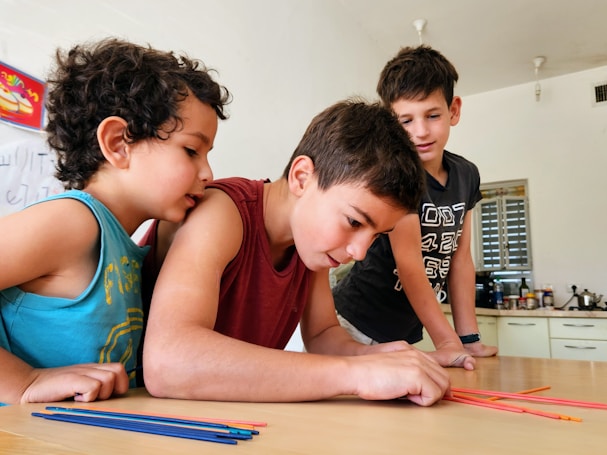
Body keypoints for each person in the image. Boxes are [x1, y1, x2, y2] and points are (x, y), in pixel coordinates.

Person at [141, 99, 451, 406]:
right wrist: (357, 372)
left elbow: (323, 335)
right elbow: (168, 361)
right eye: (354, 221)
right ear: (302, 177)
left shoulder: (309, 246)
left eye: (376, 236)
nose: (359, 252)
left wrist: (378, 357)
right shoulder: (221, 213)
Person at [0, 38, 230, 405]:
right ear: (118, 143)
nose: (207, 172)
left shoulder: (123, 247)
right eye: (191, 150)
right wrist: (23, 382)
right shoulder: (72, 222)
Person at [333, 45, 498, 370]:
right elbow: (410, 266)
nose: (420, 131)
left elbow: (460, 258)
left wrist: (467, 340)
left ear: (454, 110)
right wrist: (446, 342)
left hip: (402, 333)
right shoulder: (397, 178)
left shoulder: (466, 175)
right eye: (405, 120)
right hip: (353, 323)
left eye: (432, 115)